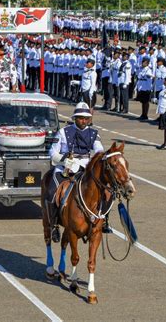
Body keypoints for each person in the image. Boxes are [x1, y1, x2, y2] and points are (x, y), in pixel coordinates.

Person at [48, 102, 106, 241]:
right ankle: (54, 224)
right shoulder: (63, 132)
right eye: (80, 118)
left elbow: (99, 150)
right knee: (52, 191)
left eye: (86, 118)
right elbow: (52, 151)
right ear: (75, 118)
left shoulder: (93, 134)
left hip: (86, 167)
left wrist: (99, 157)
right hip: (66, 167)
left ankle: (104, 220)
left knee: (105, 191)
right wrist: (64, 161)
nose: (84, 121)